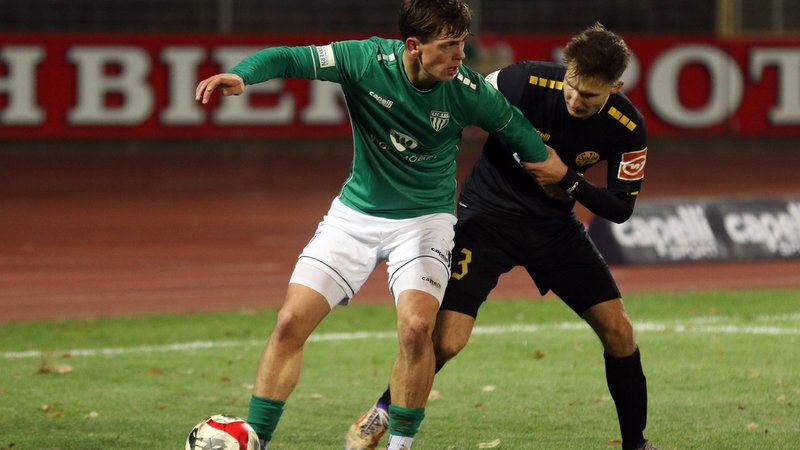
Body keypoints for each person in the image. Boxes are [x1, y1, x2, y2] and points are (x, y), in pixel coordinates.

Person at [195, 1, 550, 449]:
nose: (461, 55)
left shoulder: (469, 90)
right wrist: (243, 75)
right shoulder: (363, 60)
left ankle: (399, 445)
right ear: (413, 46)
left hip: (424, 222)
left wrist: (566, 180)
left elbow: (522, 135)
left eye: (462, 43)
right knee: (289, 322)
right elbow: (289, 57)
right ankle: (257, 441)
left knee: (418, 328)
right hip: (354, 216)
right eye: (449, 46)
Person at [345, 23, 658, 450]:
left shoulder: (627, 126)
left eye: (590, 95)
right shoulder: (521, 80)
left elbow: (621, 209)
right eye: (572, 86)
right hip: (486, 219)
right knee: (448, 341)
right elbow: (455, 104)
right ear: (565, 69)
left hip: (554, 230)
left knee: (619, 331)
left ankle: (636, 445)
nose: (575, 99)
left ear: (616, 86)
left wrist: (566, 179)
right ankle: (382, 410)